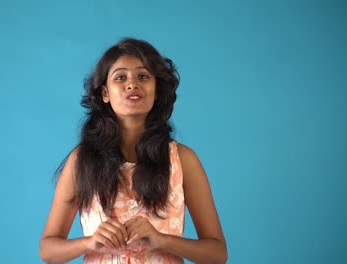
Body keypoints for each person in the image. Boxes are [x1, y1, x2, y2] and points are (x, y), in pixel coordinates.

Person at [39, 38, 227, 263]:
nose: (132, 84)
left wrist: (162, 240)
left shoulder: (183, 160)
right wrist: (89, 242)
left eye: (143, 76)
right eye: (120, 77)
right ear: (105, 94)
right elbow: (48, 250)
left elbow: (217, 254)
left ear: (156, 91)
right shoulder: (82, 160)